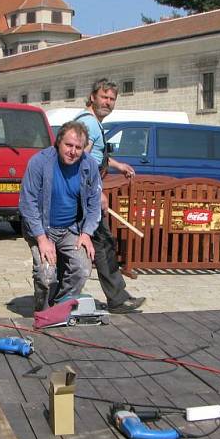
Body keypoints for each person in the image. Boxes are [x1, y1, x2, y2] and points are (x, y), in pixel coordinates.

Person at [75, 79, 146, 314]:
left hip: (85, 196)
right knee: (104, 245)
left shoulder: (91, 124)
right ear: (92, 97)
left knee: (100, 245)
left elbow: (94, 156)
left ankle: (116, 296)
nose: (108, 102)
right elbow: (80, 162)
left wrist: (117, 164)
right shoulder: (89, 125)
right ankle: (117, 299)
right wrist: (98, 193)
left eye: (112, 99)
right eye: (104, 97)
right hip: (86, 197)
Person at [19, 121, 101, 311]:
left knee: (82, 268)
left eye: (78, 147)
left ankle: (61, 306)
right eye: (69, 145)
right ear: (58, 142)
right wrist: (41, 239)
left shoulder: (89, 165)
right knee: (46, 275)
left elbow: (94, 203)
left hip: (70, 228)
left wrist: (87, 233)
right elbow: (27, 202)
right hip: (41, 228)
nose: (73, 151)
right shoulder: (39, 162)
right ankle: (42, 309)